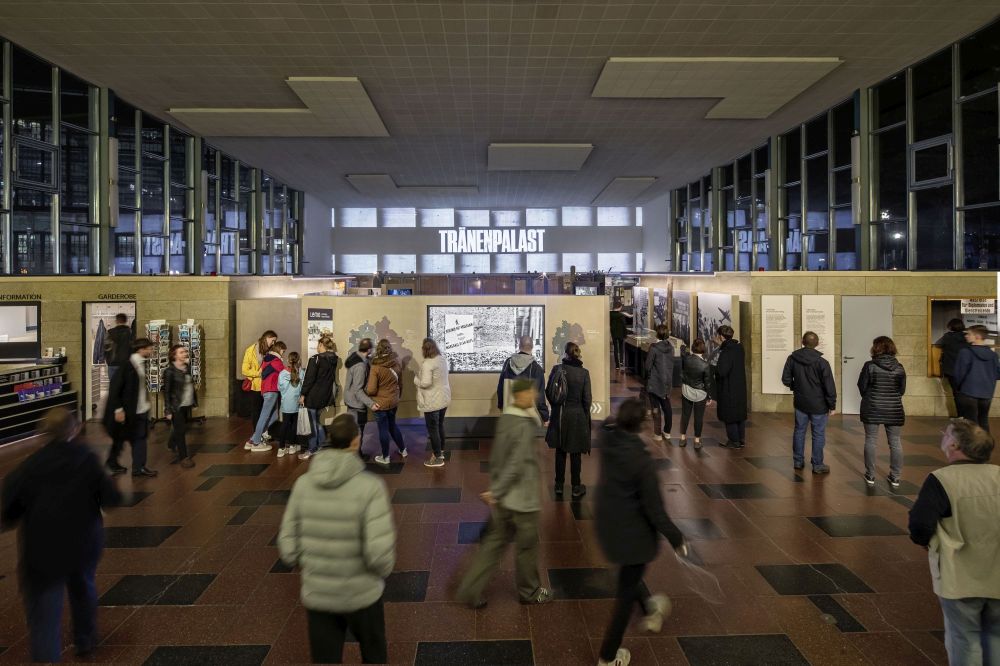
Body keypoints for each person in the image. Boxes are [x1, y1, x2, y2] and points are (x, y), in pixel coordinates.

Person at [1, 408, 122, 662]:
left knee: (44, 604)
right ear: (74, 429)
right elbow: (111, 497)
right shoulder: (87, 459)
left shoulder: (30, 466)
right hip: (83, 541)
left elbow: (9, 510)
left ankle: (46, 656)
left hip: (43, 546)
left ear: (43, 434)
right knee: (83, 587)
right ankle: (85, 639)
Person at [278, 414, 395, 664]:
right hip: (362, 592)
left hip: (319, 593)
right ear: (356, 441)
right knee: (374, 655)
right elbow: (380, 552)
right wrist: (380, 573)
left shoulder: (303, 485)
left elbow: (287, 546)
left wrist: (308, 563)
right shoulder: (370, 488)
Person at [595, 399, 688, 666]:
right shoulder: (642, 462)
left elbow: (605, 424)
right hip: (632, 534)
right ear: (642, 425)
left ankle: (649, 606)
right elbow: (655, 510)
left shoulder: (608, 440)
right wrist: (677, 538)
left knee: (629, 574)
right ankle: (608, 656)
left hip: (609, 525)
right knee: (625, 595)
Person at [908, 418, 1000, 666]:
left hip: (959, 576)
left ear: (956, 445)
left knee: (964, 639)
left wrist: (926, 541)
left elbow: (919, 525)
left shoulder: (941, 480)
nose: (943, 437)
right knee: (995, 636)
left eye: (946, 434)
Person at [456, 379, 553, 608]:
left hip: (502, 501)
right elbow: (517, 463)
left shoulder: (505, 420)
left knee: (493, 545)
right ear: (520, 395)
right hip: (522, 501)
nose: (534, 396)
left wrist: (496, 491)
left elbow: (500, 457)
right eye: (530, 393)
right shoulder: (524, 425)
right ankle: (530, 592)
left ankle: (470, 590)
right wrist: (497, 491)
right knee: (527, 549)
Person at [781, 331, 837, 474]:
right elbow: (829, 385)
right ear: (817, 344)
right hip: (819, 404)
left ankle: (798, 461)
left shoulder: (792, 358)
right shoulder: (822, 363)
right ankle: (817, 465)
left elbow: (786, 379)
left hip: (800, 402)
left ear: (802, 342)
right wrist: (832, 405)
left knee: (799, 431)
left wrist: (796, 387)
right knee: (818, 434)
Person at [103, 337, 158, 478]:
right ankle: (123, 466)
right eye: (149, 348)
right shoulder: (127, 366)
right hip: (129, 410)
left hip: (139, 409)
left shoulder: (140, 364)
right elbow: (115, 388)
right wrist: (118, 409)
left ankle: (134, 466)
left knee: (137, 437)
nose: (151, 350)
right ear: (141, 349)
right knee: (126, 438)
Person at [858, 336, 906, 488]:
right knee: (895, 443)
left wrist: (869, 397)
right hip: (894, 409)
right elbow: (901, 390)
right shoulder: (899, 367)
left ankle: (870, 475)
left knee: (871, 440)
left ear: (876, 348)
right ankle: (895, 477)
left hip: (872, 407)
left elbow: (862, 386)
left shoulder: (869, 366)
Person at [546, 341, 592, 498]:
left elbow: (549, 392)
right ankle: (576, 486)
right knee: (575, 452)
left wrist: (557, 406)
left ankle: (559, 485)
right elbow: (587, 399)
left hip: (560, 414)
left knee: (560, 451)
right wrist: (585, 417)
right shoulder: (584, 373)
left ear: (565, 353)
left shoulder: (557, 369)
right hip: (577, 415)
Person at [952, 325, 1000, 433]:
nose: (966, 336)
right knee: (983, 420)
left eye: (969, 334)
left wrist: (960, 387)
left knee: (970, 422)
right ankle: (985, 445)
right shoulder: (993, 355)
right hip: (987, 393)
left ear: (977, 336)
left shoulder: (965, 352)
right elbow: (997, 374)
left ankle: (972, 446)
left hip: (968, 392)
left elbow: (958, 373)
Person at [366, 339, 407, 466]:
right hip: (393, 402)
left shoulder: (375, 367)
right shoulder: (397, 364)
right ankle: (403, 450)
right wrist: (397, 397)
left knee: (383, 429)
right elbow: (400, 384)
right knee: (393, 425)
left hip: (380, 404)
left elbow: (371, 390)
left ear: (378, 349)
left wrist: (367, 392)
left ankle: (385, 456)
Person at [299, 337, 339, 460]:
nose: (317, 347)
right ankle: (321, 446)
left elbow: (309, 379)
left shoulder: (315, 359)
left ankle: (311, 449)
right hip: (325, 396)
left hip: (313, 396)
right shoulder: (334, 359)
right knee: (317, 421)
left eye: (318, 344)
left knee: (312, 424)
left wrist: (303, 394)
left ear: (321, 344)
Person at [414, 338, 451, 468]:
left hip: (432, 401)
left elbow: (425, 383)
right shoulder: (442, 359)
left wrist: (416, 380)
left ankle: (437, 458)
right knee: (439, 425)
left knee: (433, 428)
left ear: (424, 349)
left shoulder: (428, 364)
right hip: (444, 398)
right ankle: (441, 451)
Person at [497, 335, 549, 424]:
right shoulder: (536, 368)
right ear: (532, 347)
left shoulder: (507, 363)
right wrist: (544, 416)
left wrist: (501, 406)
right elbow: (539, 395)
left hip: (509, 414)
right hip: (527, 417)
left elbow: (500, 388)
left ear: (519, 346)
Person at [245, 341, 286, 453]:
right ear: (279, 349)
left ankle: (252, 440)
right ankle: (257, 442)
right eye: (283, 351)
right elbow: (285, 372)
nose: (283, 353)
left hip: (266, 390)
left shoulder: (266, 359)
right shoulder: (275, 360)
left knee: (273, 416)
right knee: (265, 416)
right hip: (272, 390)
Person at [713, 325, 748, 450]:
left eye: (717, 336)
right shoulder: (739, 347)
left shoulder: (726, 351)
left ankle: (734, 441)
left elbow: (722, 371)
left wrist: (715, 369)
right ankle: (741, 439)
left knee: (730, 414)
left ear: (721, 337)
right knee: (739, 414)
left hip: (729, 387)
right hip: (739, 386)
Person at [163, 344, 196, 469]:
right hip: (176, 405)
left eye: (185, 352)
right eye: (181, 352)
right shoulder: (169, 371)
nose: (185, 354)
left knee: (180, 427)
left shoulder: (187, 367)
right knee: (181, 431)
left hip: (187, 403)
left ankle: (171, 443)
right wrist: (167, 409)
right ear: (174, 355)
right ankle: (184, 457)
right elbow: (166, 392)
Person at [242, 330, 277, 444]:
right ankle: (257, 436)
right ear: (267, 338)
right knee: (257, 412)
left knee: (270, 412)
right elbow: (244, 370)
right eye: (273, 340)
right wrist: (259, 373)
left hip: (268, 386)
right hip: (256, 387)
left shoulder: (271, 351)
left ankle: (264, 433)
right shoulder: (251, 350)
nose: (273, 343)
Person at [678, 339, 713, 450]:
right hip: (700, 393)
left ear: (693, 348)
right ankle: (697, 440)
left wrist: (683, 347)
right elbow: (707, 382)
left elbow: (683, 352)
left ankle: (682, 438)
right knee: (698, 417)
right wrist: (709, 396)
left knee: (685, 415)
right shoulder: (705, 365)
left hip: (686, 390)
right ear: (703, 349)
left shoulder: (686, 359)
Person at [344, 338, 375, 461]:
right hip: (357, 403)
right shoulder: (360, 366)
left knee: (353, 429)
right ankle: (356, 457)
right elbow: (358, 390)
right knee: (358, 430)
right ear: (368, 350)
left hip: (350, 399)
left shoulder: (354, 358)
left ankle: (354, 454)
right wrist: (371, 403)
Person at [644, 324, 674, 443]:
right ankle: (667, 432)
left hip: (655, 382)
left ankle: (657, 434)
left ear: (657, 333)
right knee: (667, 407)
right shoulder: (670, 347)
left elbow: (647, 366)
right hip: (667, 382)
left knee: (656, 408)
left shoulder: (654, 348)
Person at [937, 318, 970, 407]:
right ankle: (967, 415)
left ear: (951, 326)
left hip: (952, 370)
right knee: (966, 393)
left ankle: (960, 416)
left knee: (957, 393)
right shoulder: (967, 336)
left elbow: (938, 344)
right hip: (966, 369)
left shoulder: (948, 337)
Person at [277, 351, 304, 459]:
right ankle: (292, 446)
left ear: (288, 360)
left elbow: (279, 388)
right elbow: (303, 388)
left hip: (286, 403)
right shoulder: (301, 372)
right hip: (296, 403)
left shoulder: (282, 373)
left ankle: (281, 448)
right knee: (294, 425)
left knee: (285, 425)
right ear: (298, 361)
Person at [104, 313, 132, 379]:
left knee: (113, 386)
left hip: (112, 363)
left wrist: (107, 359)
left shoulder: (110, 332)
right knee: (125, 386)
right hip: (126, 364)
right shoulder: (131, 333)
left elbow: (106, 347)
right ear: (126, 321)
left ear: (116, 321)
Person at [609, 301, 632, 370]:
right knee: (621, 348)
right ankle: (621, 361)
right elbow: (624, 326)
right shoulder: (621, 315)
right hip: (621, 333)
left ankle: (617, 365)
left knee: (615, 348)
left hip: (613, 333)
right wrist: (625, 334)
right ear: (620, 307)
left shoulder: (610, 314)